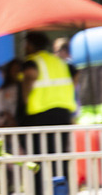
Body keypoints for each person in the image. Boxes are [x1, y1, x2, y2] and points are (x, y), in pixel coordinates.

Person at [20, 31, 76, 186]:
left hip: (41, 114)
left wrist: (25, 98)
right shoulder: (58, 61)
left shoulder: (32, 61)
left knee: (39, 157)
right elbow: (75, 74)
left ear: (30, 45)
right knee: (59, 156)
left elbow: (30, 75)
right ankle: (62, 192)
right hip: (63, 113)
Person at [0, 59, 24, 128]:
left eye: (19, 70)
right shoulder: (2, 91)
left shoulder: (24, 87)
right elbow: (1, 110)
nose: (16, 73)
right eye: (14, 70)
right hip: (9, 127)